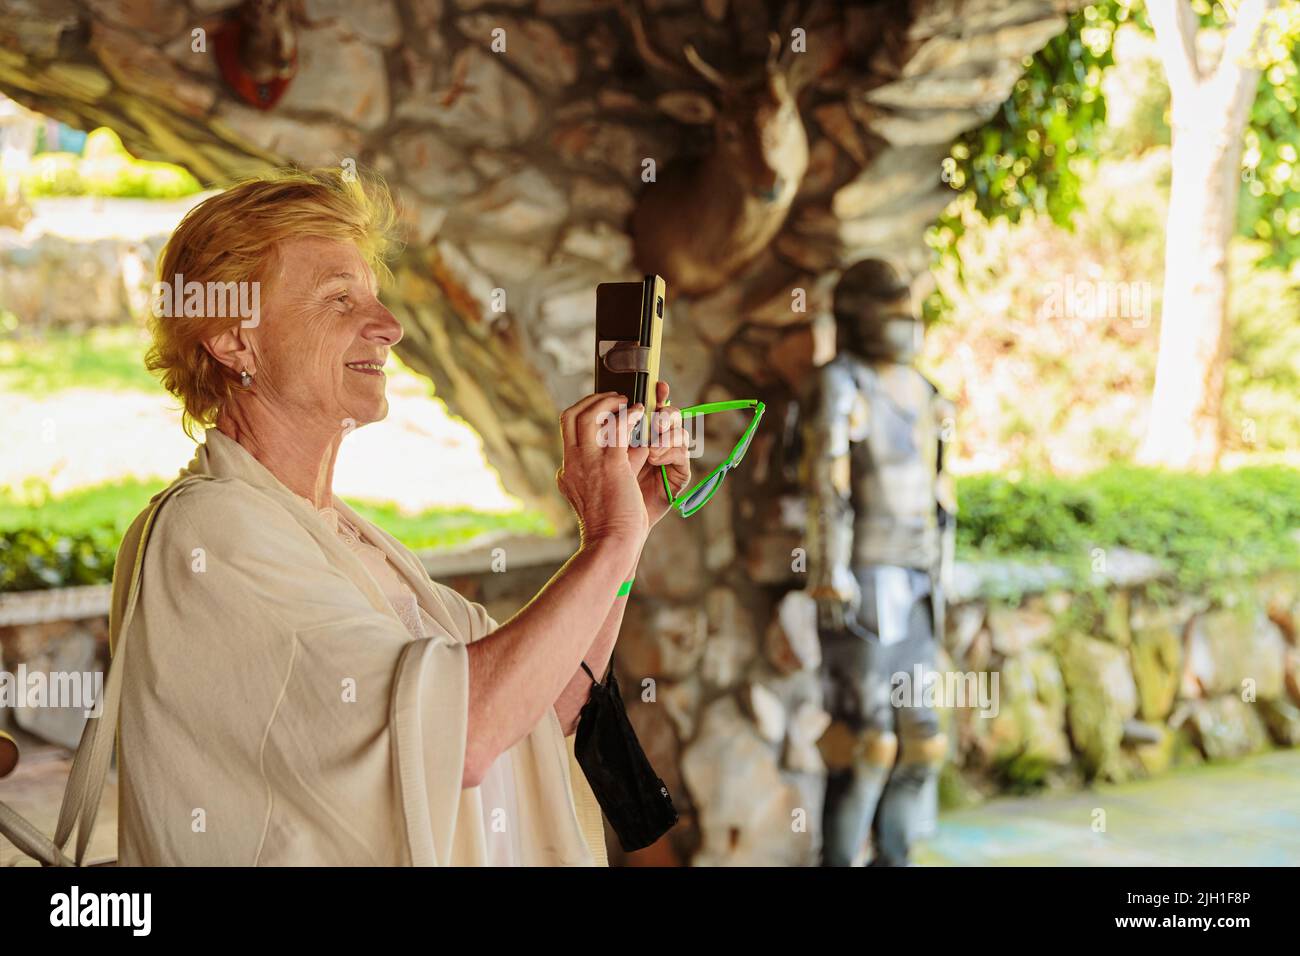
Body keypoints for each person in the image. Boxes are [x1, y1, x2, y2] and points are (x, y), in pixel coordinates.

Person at [4, 168, 692, 866]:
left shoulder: (347, 540)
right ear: (232, 339)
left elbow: (542, 708)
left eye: (375, 296)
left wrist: (626, 535)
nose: (389, 327)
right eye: (339, 299)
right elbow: (466, 732)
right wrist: (608, 541)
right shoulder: (210, 534)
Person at [802, 258, 956, 867]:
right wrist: (829, 569)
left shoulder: (924, 388)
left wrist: (944, 573)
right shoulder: (842, 383)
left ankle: (897, 858)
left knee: (924, 743)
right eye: (890, 310)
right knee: (867, 745)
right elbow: (827, 483)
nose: (906, 323)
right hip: (863, 577)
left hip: (919, 581)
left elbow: (943, 492)